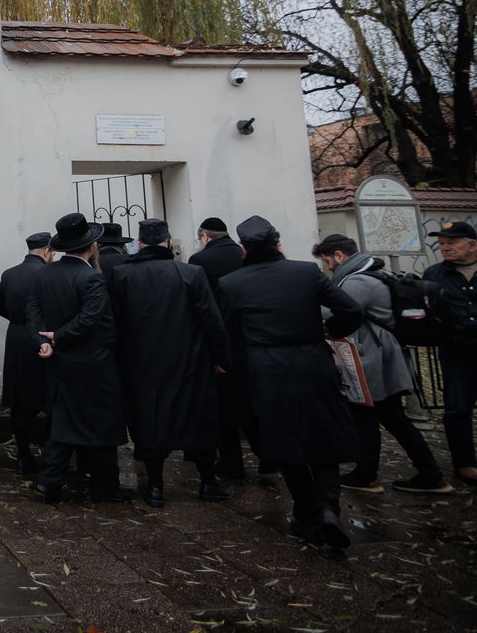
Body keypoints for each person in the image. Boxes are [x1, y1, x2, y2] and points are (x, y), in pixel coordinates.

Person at [218, 216, 363, 548]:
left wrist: (237, 367)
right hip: (312, 360)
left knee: (284, 438)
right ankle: (328, 509)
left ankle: (305, 510)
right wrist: (332, 330)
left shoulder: (231, 283)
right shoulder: (306, 272)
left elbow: (228, 333)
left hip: (267, 366)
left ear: (244, 249)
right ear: (278, 244)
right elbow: (352, 310)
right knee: (322, 435)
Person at [311, 234, 451, 494]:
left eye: (328, 260)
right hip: (383, 355)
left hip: (373, 357)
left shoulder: (357, 281)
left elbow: (331, 312)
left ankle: (367, 475)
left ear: (340, 256)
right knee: (393, 417)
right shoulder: (373, 273)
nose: (328, 266)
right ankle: (430, 474)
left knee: (367, 415)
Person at [109, 219, 232, 507]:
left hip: (140, 363)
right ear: (167, 242)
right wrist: (222, 359)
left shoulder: (121, 276)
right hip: (190, 360)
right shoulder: (191, 273)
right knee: (198, 419)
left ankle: (154, 488)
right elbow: (212, 321)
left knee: (149, 421)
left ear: (139, 243)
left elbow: (114, 324)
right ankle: (208, 483)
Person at [28, 212, 134, 504]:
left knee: (63, 422)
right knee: (103, 425)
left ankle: (50, 481)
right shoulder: (91, 278)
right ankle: (105, 487)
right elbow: (90, 319)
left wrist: (42, 340)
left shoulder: (44, 274)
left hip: (59, 362)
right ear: (91, 246)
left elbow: (33, 311)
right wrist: (57, 336)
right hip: (93, 363)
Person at [189, 216, 256, 480]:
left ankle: (231, 463)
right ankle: (270, 457)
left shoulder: (200, 262)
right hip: (250, 338)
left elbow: (202, 307)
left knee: (224, 409)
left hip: (220, 339)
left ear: (204, 236)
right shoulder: (243, 255)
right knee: (251, 403)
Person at [0, 231, 53, 475]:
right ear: (47, 251)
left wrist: (16, 319)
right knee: (48, 397)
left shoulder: (9, 273)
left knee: (19, 400)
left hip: (15, 338)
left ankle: (23, 457)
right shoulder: (48, 273)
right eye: (52, 253)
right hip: (43, 338)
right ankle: (51, 455)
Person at [422, 220, 477, 485]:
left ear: (472, 245)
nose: (445, 248)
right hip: (456, 350)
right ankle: (465, 463)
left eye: (452, 243)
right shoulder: (434, 274)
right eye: (442, 243)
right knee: (456, 407)